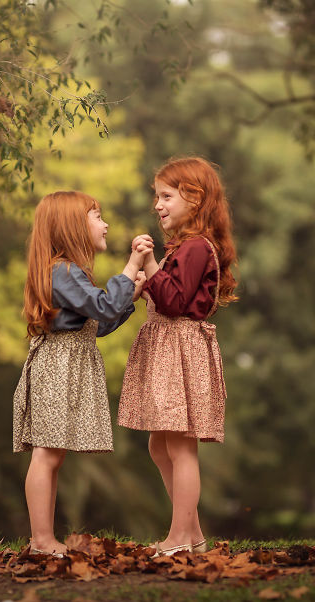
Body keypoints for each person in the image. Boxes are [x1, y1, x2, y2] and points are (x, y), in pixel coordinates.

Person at [13, 190, 151, 556]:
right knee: (46, 454)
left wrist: (128, 301)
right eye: (97, 216)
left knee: (52, 454)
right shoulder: (62, 270)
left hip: (67, 363)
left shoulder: (70, 272)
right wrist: (132, 263)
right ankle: (41, 540)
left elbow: (96, 325)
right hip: (56, 367)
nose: (105, 224)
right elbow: (103, 308)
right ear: (73, 226)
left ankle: (43, 538)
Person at [118, 157, 238, 557]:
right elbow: (168, 293)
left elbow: (172, 302)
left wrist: (150, 266)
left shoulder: (196, 248)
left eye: (166, 196)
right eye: (157, 197)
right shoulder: (183, 249)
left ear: (195, 199)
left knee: (182, 447)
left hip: (181, 351)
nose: (157, 205)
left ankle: (178, 538)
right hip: (169, 349)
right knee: (159, 445)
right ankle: (194, 534)